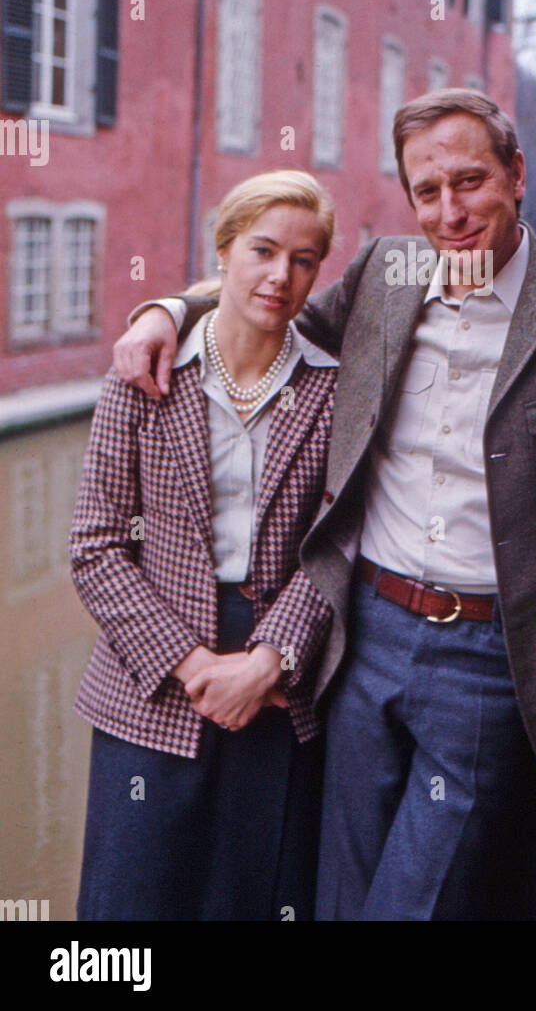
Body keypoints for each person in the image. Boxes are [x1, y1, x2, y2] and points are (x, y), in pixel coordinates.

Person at [114, 89, 536, 922]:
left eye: (470, 182)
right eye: (426, 192)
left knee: (416, 907)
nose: (450, 211)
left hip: (496, 659)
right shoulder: (381, 278)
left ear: (517, 174)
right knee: (339, 899)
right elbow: (265, 309)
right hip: (364, 644)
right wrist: (168, 309)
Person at [71, 170, 339, 921]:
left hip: (275, 683)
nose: (280, 276)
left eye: (304, 259)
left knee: (250, 899)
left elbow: (336, 548)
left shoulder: (335, 390)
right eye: (262, 249)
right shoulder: (142, 376)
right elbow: (94, 547)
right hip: (149, 678)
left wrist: (263, 663)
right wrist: (194, 668)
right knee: (127, 911)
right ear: (223, 250)